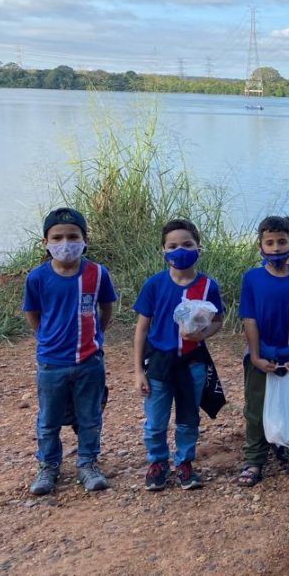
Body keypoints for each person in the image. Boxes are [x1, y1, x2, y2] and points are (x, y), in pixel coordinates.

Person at [23, 208, 117, 495]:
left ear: (85, 239)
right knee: (48, 420)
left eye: (73, 236)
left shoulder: (97, 274)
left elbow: (106, 308)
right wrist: (45, 338)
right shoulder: (37, 278)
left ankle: (87, 464)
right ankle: (48, 466)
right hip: (51, 363)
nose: (66, 243)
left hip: (89, 361)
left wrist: (96, 336)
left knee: (89, 417)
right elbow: (33, 313)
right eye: (58, 237)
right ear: (46, 242)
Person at [133, 219, 225, 491]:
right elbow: (141, 330)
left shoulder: (208, 286)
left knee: (188, 418)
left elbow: (218, 320)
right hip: (159, 362)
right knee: (156, 421)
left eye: (187, 244)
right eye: (172, 246)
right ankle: (157, 463)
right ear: (163, 251)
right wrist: (138, 371)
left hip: (192, 362)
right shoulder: (154, 285)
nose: (180, 250)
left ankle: (184, 462)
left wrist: (203, 334)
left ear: (199, 248)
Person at [236, 216, 289, 487]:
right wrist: (256, 355)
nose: (275, 248)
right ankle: (254, 459)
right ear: (260, 245)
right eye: (269, 242)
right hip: (262, 354)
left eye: (281, 242)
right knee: (256, 407)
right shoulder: (252, 278)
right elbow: (249, 319)